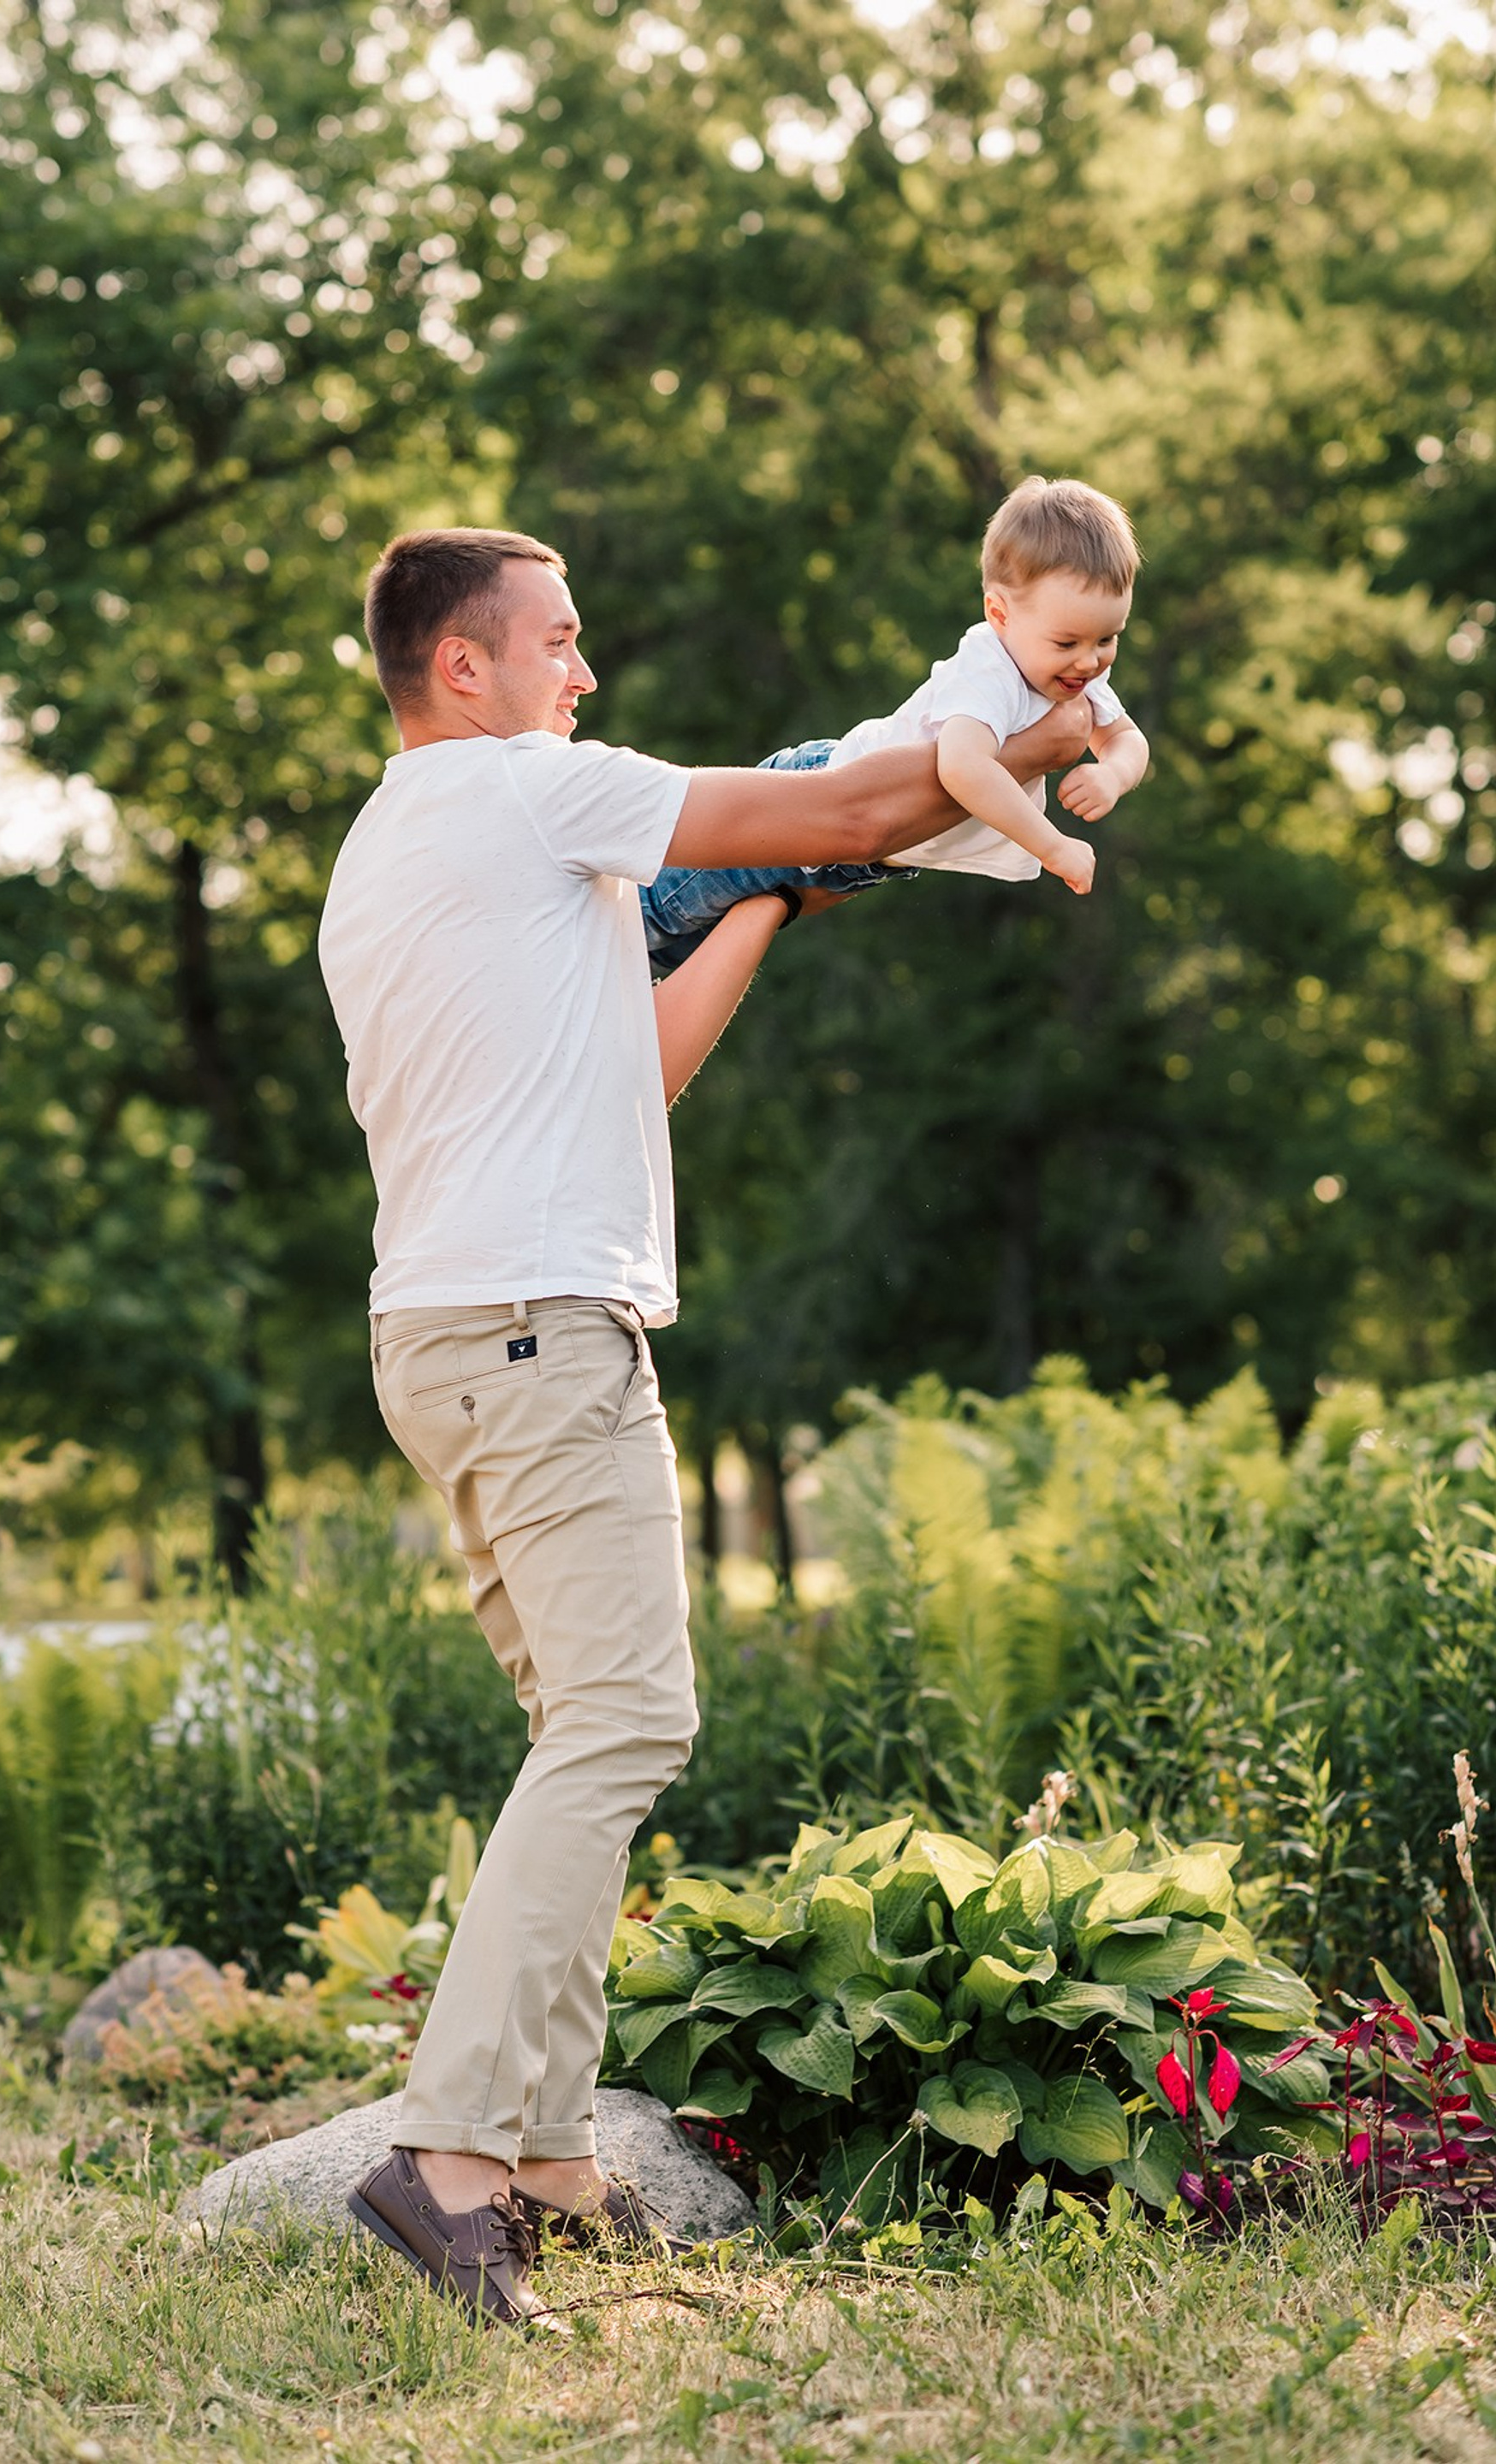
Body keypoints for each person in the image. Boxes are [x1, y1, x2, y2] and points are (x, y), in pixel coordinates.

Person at [315, 525, 1092, 2327]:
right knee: (629, 1725)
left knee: (577, 1736)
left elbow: (638, 1069)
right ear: (467, 668)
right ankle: (447, 2157)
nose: (585, 676)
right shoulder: (524, 790)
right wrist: (1032, 738)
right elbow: (830, 812)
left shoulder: (392, 853)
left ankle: (559, 2160)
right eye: (562, 642)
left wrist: (757, 902)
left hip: (446, 1330)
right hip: (537, 1333)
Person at [638, 475, 1150, 976]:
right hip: (828, 795)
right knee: (657, 913)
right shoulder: (989, 670)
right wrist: (1053, 845)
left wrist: (1112, 775)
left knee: (685, 952)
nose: (1089, 662)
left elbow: (1126, 739)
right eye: (1068, 643)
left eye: (1108, 639)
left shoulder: (1068, 676)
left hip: (863, 853)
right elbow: (963, 767)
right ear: (999, 613)